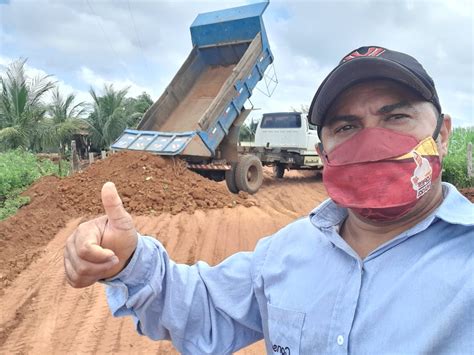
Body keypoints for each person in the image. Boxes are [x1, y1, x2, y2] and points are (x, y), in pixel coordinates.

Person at [64, 46, 474, 354]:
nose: (371, 140)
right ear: (324, 148)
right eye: (347, 126)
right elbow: (204, 307)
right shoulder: (285, 252)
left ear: (442, 133)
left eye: (395, 117)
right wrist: (132, 260)